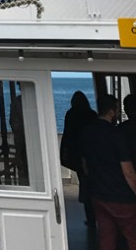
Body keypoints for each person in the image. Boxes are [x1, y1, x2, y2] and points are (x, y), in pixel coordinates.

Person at [80, 93, 136, 249]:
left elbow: (85, 165)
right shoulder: (117, 135)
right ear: (112, 111)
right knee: (133, 236)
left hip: (98, 195)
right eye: (117, 109)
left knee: (106, 237)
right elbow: (128, 172)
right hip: (121, 197)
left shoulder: (87, 132)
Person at [61, 90, 98, 227]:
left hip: (77, 155)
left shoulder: (71, 114)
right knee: (97, 185)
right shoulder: (92, 114)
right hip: (93, 154)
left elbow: (68, 135)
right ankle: (99, 215)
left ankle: (90, 218)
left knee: (85, 184)